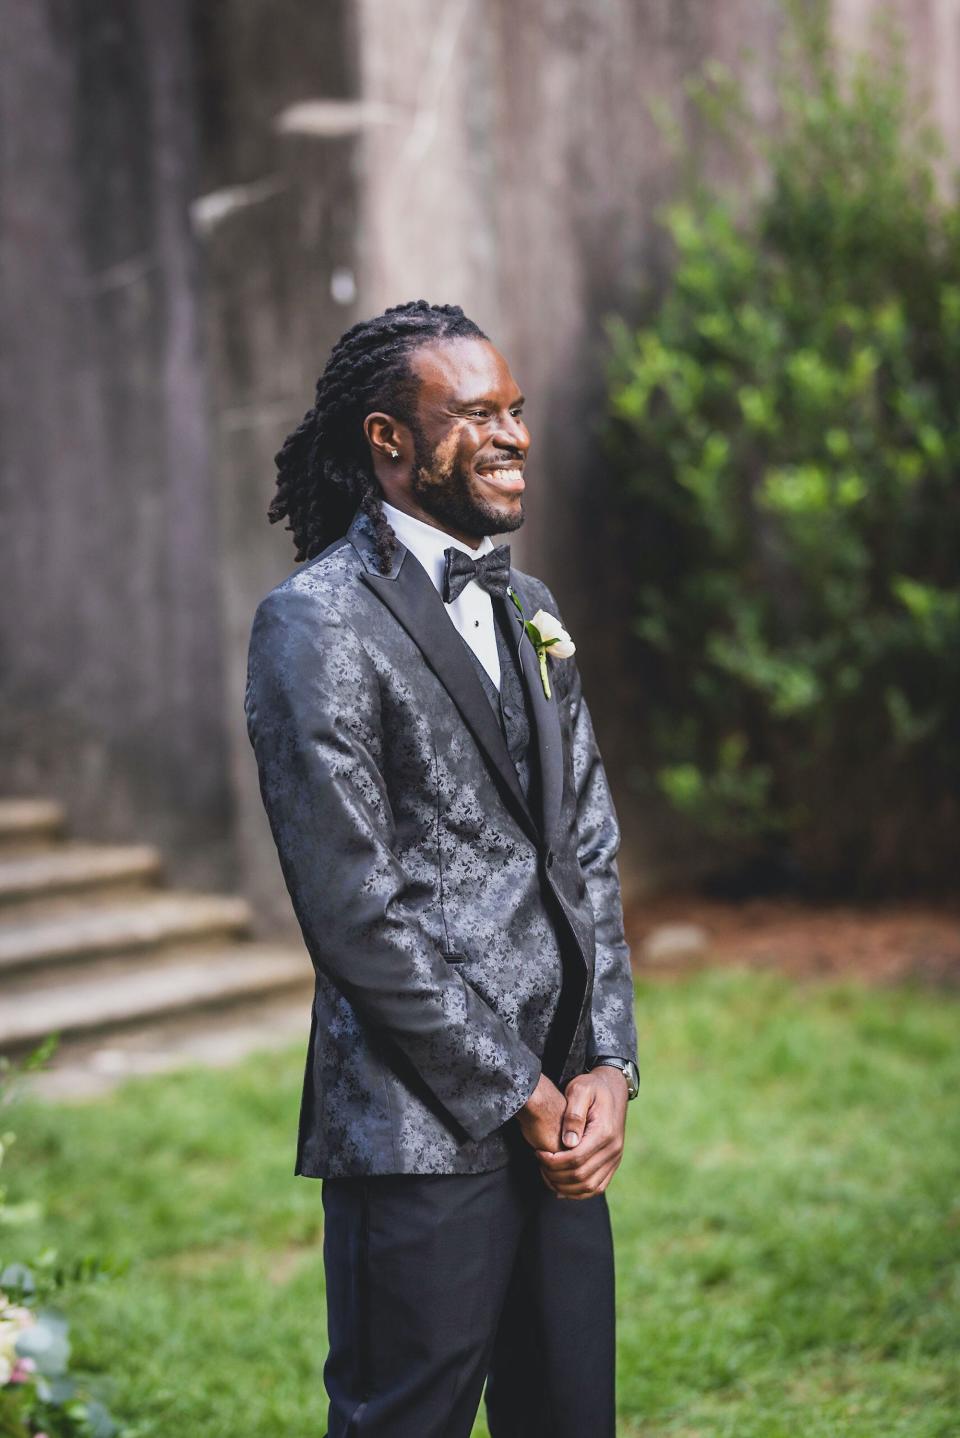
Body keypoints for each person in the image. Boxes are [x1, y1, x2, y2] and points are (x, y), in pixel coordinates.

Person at [244, 299, 639, 1438]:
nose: (512, 435)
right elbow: (352, 908)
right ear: (389, 441)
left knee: (570, 1418)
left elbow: (590, 848)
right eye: (475, 416)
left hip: (567, 1119)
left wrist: (605, 1059)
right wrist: (516, 1092)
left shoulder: (532, 609)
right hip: (418, 1131)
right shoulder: (313, 625)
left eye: (515, 411)